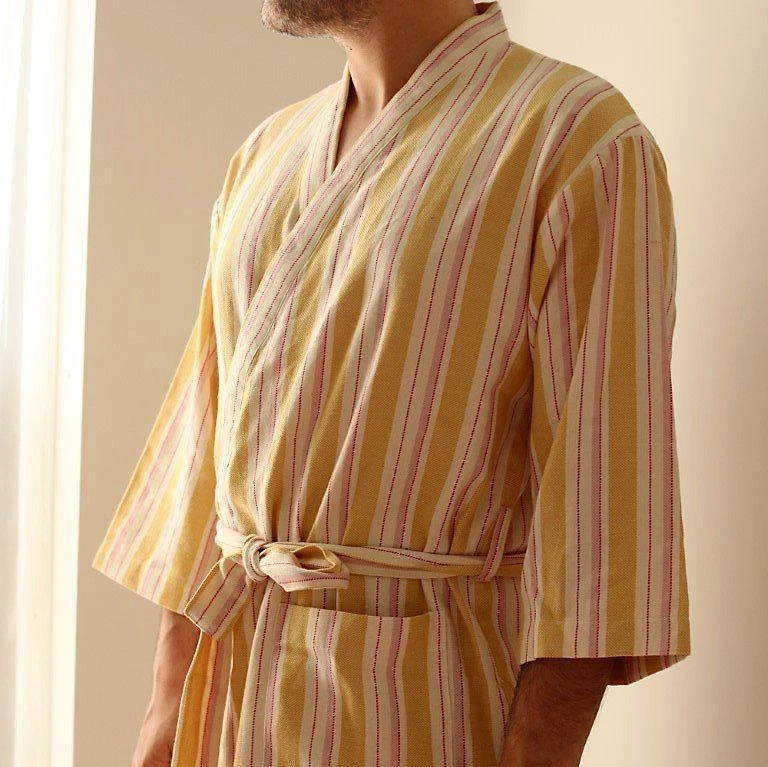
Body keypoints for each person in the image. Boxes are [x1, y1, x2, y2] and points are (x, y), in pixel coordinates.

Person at [92, 1, 691, 765]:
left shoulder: (577, 140)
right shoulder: (268, 151)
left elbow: (600, 522)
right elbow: (203, 463)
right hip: (232, 704)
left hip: (419, 709)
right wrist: (165, 714)